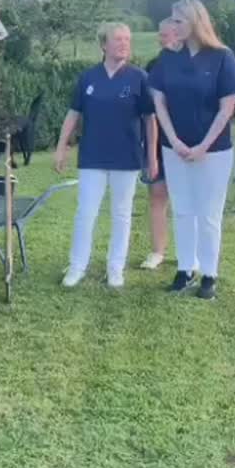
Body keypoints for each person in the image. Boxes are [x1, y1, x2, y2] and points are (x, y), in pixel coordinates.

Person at [149, 0, 235, 300]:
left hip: (213, 152)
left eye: (178, 20)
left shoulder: (222, 57)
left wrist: (203, 146)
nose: (173, 26)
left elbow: (227, 106)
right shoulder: (168, 57)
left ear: (194, 22)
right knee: (183, 210)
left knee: (209, 213)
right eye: (172, 20)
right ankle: (185, 269)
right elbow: (159, 102)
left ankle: (209, 274)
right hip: (174, 148)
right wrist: (174, 140)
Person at [54, 22, 156, 289]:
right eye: (118, 39)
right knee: (85, 213)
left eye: (127, 39)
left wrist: (152, 157)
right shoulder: (88, 78)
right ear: (103, 45)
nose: (124, 44)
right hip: (92, 156)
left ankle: (115, 268)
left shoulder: (139, 78)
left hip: (127, 157)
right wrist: (61, 146)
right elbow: (73, 114)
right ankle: (77, 266)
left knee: (122, 214)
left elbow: (150, 120)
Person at [140, 19, 180, 270]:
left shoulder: (193, 64)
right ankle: (157, 251)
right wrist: (152, 154)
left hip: (187, 143)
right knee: (157, 196)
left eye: (164, 35)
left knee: (187, 202)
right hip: (158, 143)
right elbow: (150, 112)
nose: (160, 39)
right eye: (160, 34)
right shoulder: (154, 67)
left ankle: (190, 254)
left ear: (179, 34)